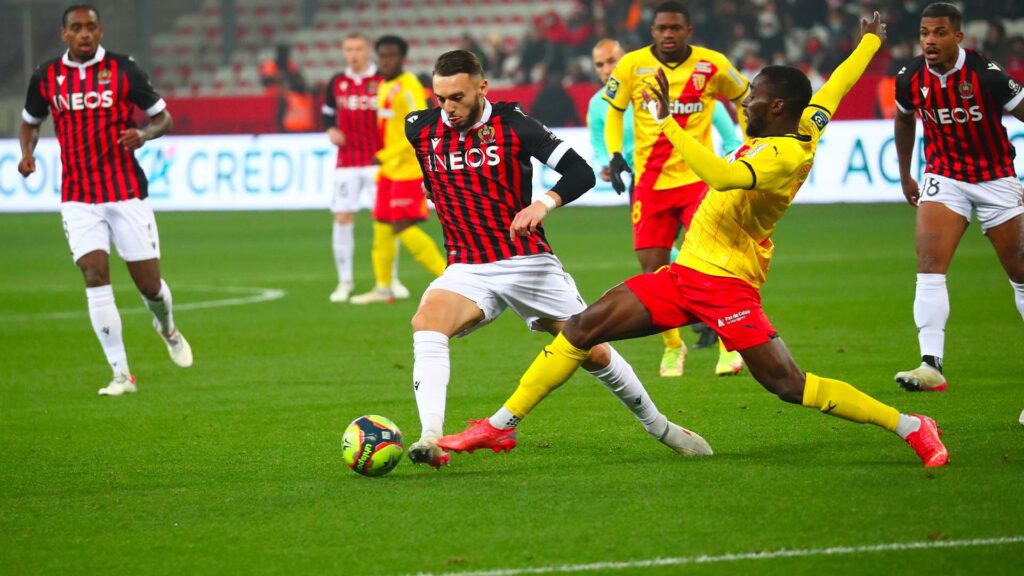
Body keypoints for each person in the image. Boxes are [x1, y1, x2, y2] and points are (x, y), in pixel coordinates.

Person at [440, 14, 951, 469]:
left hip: (727, 284)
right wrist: (868, 43)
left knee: (789, 386)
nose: (744, 101)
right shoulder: (807, 121)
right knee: (581, 328)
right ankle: (500, 426)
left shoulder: (785, 155)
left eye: (752, 96)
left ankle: (911, 425)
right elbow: (835, 86)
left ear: (776, 106)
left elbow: (722, 177)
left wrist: (668, 123)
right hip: (685, 274)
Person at [403, 50, 711, 468]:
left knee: (593, 351)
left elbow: (580, 172)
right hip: (467, 266)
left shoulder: (515, 125)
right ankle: (431, 438)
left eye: (457, 97)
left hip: (527, 262)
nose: (448, 108)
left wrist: (543, 203)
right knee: (426, 323)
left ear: (482, 87)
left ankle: (660, 427)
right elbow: (433, 174)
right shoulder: (419, 128)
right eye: (440, 98)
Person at [18, 4, 191, 396]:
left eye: (91, 27)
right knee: (94, 274)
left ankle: (167, 328)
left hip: (126, 191)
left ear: (100, 31)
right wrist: (27, 153)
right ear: (64, 33)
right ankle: (121, 374)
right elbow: (30, 122)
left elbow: (163, 118)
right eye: (77, 28)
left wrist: (143, 135)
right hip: (78, 196)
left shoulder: (124, 70)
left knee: (149, 286)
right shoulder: (46, 76)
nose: (85, 34)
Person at [603, 1, 749, 378]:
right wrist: (614, 153)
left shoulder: (712, 64)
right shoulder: (632, 65)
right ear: (652, 31)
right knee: (652, 271)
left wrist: (751, 144)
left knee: (712, 263)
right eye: (662, 28)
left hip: (698, 181)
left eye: (675, 28)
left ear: (688, 31)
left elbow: (745, 98)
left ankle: (728, 344)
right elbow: (614, 110)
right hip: (650, 184)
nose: (668, 34)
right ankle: (673, 346)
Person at [893, 2, 1024, 393]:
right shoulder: (910, 77)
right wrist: (905, 174)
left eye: (939, 33)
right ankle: (930, 364)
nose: (930, 41)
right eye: (924, 33)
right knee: (929, 265)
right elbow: (903, 120)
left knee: (1020, 275)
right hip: (944, 177)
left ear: (959, 37)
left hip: (995, 179)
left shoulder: (987, 75)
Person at [349, 35, 447, 304]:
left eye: (392, 56)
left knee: (402, 226)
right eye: (382, 56)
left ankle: (450, 279)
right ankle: (383, 287)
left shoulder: (409, 86)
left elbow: (420, 128)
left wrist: (385, 155)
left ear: (402, 58)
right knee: (382, 228)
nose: (386, 61)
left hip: (408, 169)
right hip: (389, 170)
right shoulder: (383, 85)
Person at [322, 33, 408, 303]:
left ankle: (390, 278)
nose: (354, 54)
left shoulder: (383, 80)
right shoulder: (337, 82)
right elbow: (327, 113)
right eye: (348, 49)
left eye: (358, 49)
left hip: (378, 161)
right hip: (346, 162)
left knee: (386, 220)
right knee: (342, 218)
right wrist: (331, 130)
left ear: (368, 50)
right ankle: (344, 281)